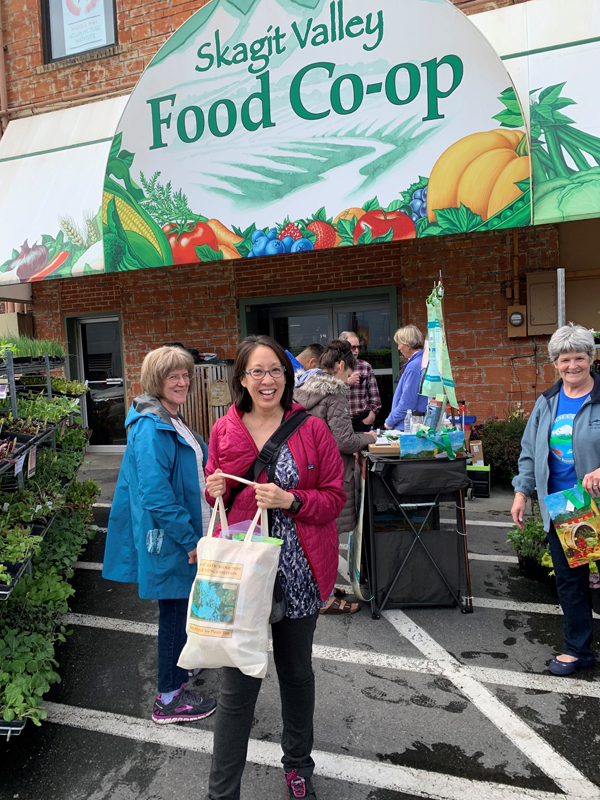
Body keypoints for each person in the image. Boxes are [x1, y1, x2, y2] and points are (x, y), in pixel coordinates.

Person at [204, 334, 345, 800]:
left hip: (299, 570)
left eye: (276, 371)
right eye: (257, 372)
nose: (268, 381)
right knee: (236, 685)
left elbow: (333, 499)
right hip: (241, 570)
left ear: (288, 376)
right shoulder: (225, 429)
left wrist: (292, 499)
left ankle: (298, 764)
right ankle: (222, 792)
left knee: (295, 673)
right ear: (242, 379)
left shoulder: (311, 429)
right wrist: (215, 489)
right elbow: (214, 489)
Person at [102, 346, 216, 724]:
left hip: (184, 533)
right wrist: (189, 540)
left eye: (185, 374)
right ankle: (168, 698)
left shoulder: (170, 417)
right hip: (172, 539)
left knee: (184, 608)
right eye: (173, 376)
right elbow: (155, 494)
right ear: (157, 381)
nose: (182, 381)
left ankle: (182, 669)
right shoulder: (151, 426)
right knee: (173, 612)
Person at [511, 324, 600, 676]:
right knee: (571, 583)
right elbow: (530, 453)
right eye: (565, 359)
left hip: (598, 506)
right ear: (555, 363)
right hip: (566, 506)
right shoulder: (547, 402)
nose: (572, 365)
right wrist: (522, 493)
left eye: (580, 357)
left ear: (591, 358)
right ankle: (578, 650)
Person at [294, 340, 377, 613]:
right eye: (349, 370)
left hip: (307, 469)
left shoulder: (302, 387)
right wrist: (369, 437)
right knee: (329, 535)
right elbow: (344, 441)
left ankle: (322, 586)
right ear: (341, 366)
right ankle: (325, 598)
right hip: (332, 472)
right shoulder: (335, 393)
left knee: (316, 533)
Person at [385, 325, 427, 431]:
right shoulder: (422, 361)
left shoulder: (414, 366)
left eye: (399, 343)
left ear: (407, 345)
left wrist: (389, 422)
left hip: (408, 427)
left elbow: (407, 404)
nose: (398, 348)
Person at [339, 330, 382, 431]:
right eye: (353, 347)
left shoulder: (365, 366)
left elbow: (375, 396)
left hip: (362, 419)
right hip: (340, 420)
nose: (356, 350)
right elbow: (327, 394)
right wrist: (347, 383)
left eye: (358, 347)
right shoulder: (334, 367)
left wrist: (371, 416)